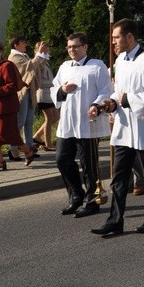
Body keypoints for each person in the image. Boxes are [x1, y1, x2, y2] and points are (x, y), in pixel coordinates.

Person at [91, 19, 144, 235]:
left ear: (130, 37)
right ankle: (115, 220)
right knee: (119, 177)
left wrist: (124, 100)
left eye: (116, 37)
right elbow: (118, 90)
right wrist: (112, 103)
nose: (113, 42)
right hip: (125, 127)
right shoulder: (120, 60)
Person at [51, 33, 113, 218]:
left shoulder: (97, 65)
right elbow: (54, 88)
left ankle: (92, 201)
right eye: (69, 47)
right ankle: (76, 195)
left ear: (85, 47)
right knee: (62, 159)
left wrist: (96, 104)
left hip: (87, 123)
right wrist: (62, 90)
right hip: (68, 122)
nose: (72, 50)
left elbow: (105, 89)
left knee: (89, 165)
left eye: (75, 46)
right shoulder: (64, 66)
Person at [0, 39, 35, 172]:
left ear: (0, 52)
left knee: (7, 133)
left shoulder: (6, 66)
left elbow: (11, 86)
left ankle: (28, 151)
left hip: (6, 107)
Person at [7, 36, 38, 160]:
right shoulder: (14, 57)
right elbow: (29, 66)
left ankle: (29, 148)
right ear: (15, 45)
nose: (25, 44)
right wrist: (39, 55)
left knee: (29, 121)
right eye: (23, 42)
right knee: (20, 122)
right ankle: (13, 149)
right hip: (22, 93)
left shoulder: (23, 55)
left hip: (29, 91)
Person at [32, 40, 59, 151]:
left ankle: (37, 136)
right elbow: (35, 69)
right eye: (44, 48)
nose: (47, 49)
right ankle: (48, 143)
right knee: (49, 118)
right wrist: (40, 53)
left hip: (50, 93)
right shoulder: (39, 62)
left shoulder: (46, 61)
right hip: (43, 93)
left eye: (47, 47)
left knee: (56, 116)